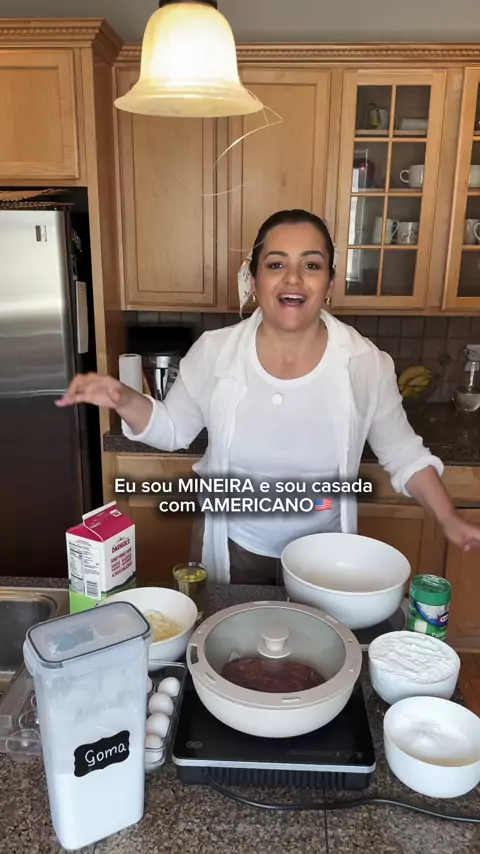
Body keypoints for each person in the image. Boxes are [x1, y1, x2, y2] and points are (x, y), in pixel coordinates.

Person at [57, 209, 480, 584]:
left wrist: (448, 517)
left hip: (324, 556)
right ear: (255, 279)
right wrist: (123, 397)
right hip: (232, 545)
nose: (293, 278)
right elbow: (172, 430)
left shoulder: (365, 363)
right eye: (276, 264)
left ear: (329, 282)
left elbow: (404, 454)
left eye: (311, 265)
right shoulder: (215, 352)